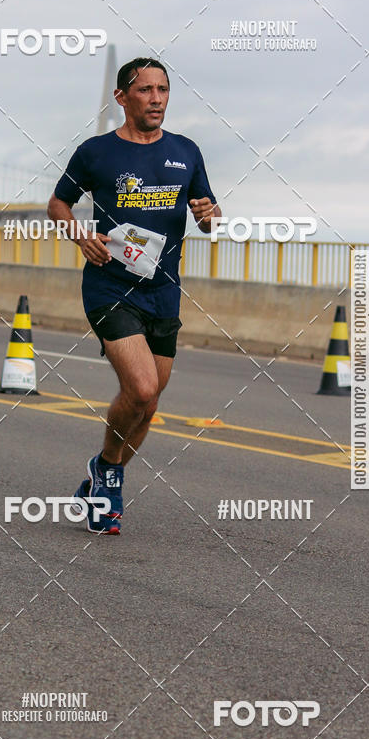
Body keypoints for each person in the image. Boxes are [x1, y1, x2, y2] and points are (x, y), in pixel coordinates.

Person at [48, 57, 220, 534]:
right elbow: (58, 203)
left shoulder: (186, 152)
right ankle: (110, 474)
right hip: (110, 286)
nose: (156, 99)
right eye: (145, 90)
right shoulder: (96, 152)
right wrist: (80, 235)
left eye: (163, 89)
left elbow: (208, 215)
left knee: (149, 404)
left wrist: (210, 214)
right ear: (122, 97)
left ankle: (102, 471)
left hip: (163, 292)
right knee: (141, 388)